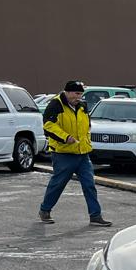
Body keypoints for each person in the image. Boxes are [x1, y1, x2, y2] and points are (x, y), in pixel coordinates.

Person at [38, 80, 111, 226]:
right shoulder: (55, 105)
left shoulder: (82, 106)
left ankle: (95, 215)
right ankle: (45, 210)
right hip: (63, 153)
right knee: (58, 184)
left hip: (82, 153)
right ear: (67, 92)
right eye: (76, 94)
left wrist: (85, 143)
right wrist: (65, 137)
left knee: (89, 185)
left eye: (81, 94)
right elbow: (48, 126)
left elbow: (86, 126)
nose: (79, 97)